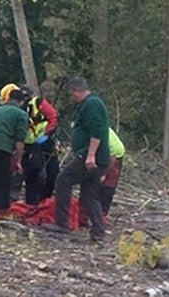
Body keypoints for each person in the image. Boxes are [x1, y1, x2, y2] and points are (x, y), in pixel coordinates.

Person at [43, 77, 110, 244]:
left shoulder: (91, 104)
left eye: (71, 94)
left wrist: (91, 155)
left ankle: (62, 223)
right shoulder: (89, 104)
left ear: (76, 90)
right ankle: (98, 233)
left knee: (63, 179)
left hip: (90, 156)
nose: (71, 98)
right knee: (89, 195)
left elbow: (97, 130)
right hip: (98, 157)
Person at [0, 84, 29, 210]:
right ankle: (2, 208)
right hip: (3, 147)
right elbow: (20, 140)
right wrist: (18, 160)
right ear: (21, 101)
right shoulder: (21, 114)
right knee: (3, 178)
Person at [20, 84, 59, 205]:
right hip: (28, 145)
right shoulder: (18, 108)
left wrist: (47, 135)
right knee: (30, 175)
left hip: (45, 142)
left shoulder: (38, 102)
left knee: (52, 172)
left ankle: (45, 199)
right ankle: (31, 203)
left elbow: (53, 117)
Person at [100, 127, 125, 214]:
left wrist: (104, 174)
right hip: (102, 153)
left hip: (115, 154)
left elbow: (112, 157)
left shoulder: (105, 136)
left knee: (108, 185)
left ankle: (103, 213)